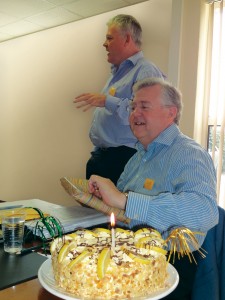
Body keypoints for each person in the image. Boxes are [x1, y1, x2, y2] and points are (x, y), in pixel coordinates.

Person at [88, 77, 219, 300]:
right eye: (133, 107)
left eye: (144, 107)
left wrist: (125, 201)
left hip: (169, 264)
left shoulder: (189, 153)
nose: (134, 113)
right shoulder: (137, 157)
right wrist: (100, 199)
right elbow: (122, 211)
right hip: (128, 251)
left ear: (171, 113)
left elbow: (205, 211)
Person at [74, 14, 166, 185]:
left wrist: (106, 101)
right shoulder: (117, 74)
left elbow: (146, 115)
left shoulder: (145, 70)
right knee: (93, 212)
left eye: (109, 38)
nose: (104, 44)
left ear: (127, 39)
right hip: (103, 158)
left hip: (123, 160)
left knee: (117, 212)